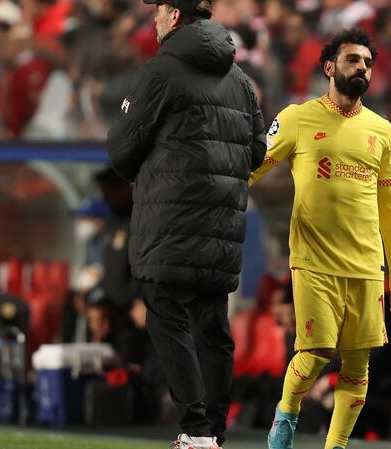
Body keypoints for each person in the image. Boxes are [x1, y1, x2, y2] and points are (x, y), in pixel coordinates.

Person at [105, 0, 266, 446]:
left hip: (169, 223)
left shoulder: (160, 72)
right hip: (223, 228)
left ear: (174, 15)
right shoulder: (240, 80)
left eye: (157, 9)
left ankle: (194, 429)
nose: (153, 18)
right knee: (213, 327)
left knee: (166, 316)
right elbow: (256, 153)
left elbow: (121, 148)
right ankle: (212, 432)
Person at [249, 28, 391, 449]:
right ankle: (287, 412)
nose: (362, 68)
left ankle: (334, 447)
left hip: (367, 266)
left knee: (358, 365)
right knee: (317, 352)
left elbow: (389, 207)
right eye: (353, 60)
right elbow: (253, 167)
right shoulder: (298, 118)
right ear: (329, 67)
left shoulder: (382, 130)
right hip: (314, 261)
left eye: (368, 63)